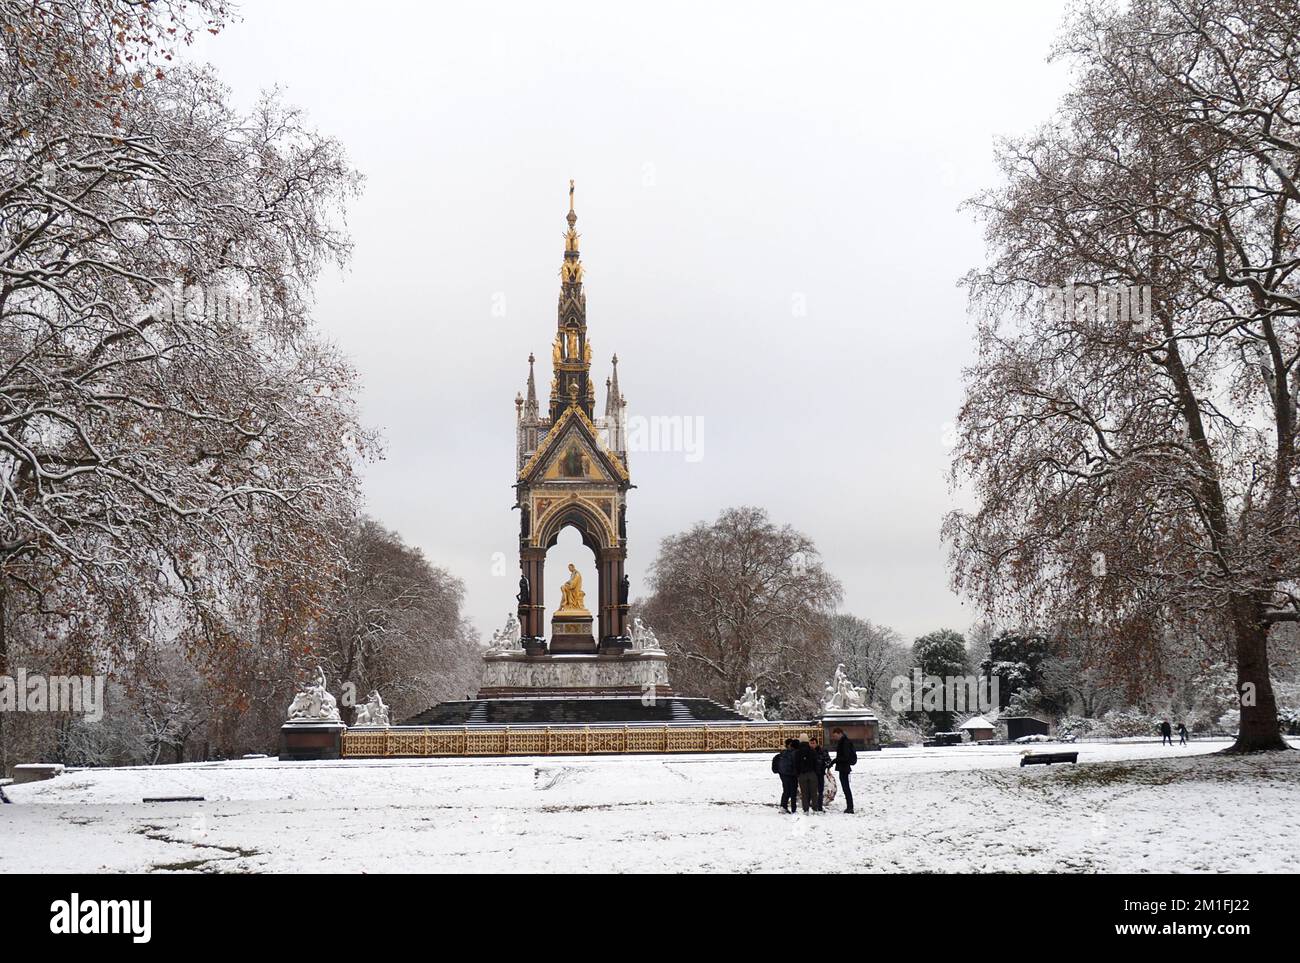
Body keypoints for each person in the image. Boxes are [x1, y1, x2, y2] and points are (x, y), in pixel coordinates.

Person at [830, 727, 857, 814]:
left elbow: (845, 756)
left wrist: (835, 760)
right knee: (846, 788)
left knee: (846, 788)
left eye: (835, 735)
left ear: (840, 733)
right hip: (844, 767)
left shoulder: (844, 742)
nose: (835, 737)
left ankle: (850, 807)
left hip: (844, 768)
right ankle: (849, 806)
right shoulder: (844, 741)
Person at [795, 738, 821, 813]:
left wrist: (798, 773)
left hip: (802, 774)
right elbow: (816, 763)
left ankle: (805, 809)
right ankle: (815, 808)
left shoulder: (798, 752)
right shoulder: (812, 751)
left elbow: (796, 764)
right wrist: (816, 772)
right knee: (814, 792)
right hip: (812, 773)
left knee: (804, 793)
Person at [774, 739, 799, 813]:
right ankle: (793, 809)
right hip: (792, 774)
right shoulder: (795, 753)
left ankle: (783, 806)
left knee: (786, 790)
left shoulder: (783, 753)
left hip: (783, 774)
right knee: (793, 791)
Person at [809, 735, 831, 810]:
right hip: (811, 774)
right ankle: (813, 805)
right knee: (812, 790)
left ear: (817, 743)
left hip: (820, 773)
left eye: (813, 743)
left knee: (820, 790)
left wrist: (825, 766)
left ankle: (819, 806)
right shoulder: (808, 751)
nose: (812, 745)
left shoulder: (822, 751)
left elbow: (828, 761)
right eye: (811, 743)